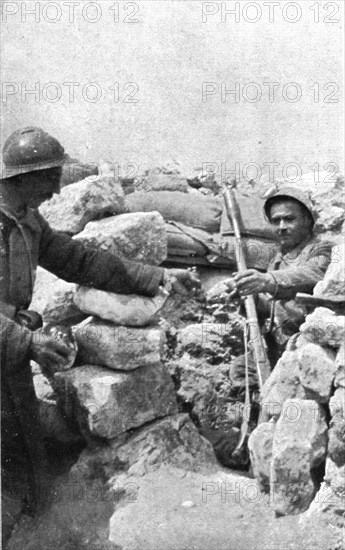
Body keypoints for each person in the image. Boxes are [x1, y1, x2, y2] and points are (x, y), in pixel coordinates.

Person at [0, 126, 200, 541]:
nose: (57, 190)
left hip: (8, 355)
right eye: (51, 178)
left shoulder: (28, 221)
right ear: (26, 178)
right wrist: (29, 341)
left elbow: (80, 261)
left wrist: (157, 276)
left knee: (22, 453)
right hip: (11, 344)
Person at [204, 186, 335, 468]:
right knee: (242, 370)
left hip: (307, 346)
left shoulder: (323, 250)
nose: (282, 226)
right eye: (276, 221)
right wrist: (245, 296)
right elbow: (270, 305)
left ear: (308, 221)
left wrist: (267, 281)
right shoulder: (278, 258)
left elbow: (311, 276)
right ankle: (247, 437)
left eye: (290, 219)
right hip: (275, 344)